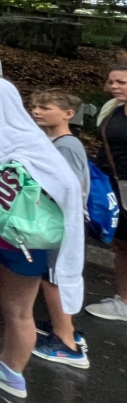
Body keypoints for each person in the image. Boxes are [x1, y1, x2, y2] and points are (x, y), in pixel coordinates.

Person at [0, 77, 84, 403]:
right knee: (21, 312)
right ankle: (11, 372)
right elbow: (68, 187)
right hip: (27, 238)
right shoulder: (33, 142)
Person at [29, 89, 90, 367]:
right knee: (50, 276)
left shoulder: (66, 146)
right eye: (35, 106)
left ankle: (66, 342)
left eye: (45, 107)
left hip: (61, 224)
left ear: (68, 114)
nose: (37, 111)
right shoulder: (54, 141)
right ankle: (60, 325)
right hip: (56, 222)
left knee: (54, 280)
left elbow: (70, 187)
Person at [87, 64, 127, 323]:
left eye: (121, 82)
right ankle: (122, 298)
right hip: (114, 184)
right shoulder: (112, 108)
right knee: (121, 244)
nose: (114, 87)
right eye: (111, 81)